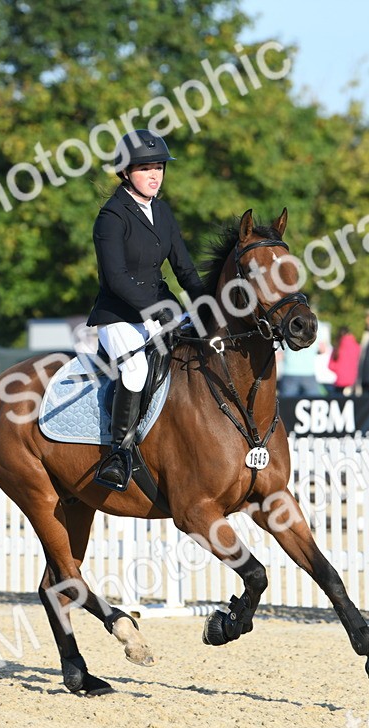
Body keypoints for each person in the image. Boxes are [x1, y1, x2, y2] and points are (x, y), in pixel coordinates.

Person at [88, 129, 209, 492]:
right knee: (137, 369)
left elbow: (184, 268)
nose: (155, 175)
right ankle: (118, 453)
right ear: (125, 172)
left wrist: (207, 303)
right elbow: (116, 279)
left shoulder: (162, 210)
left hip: (160, 307)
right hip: (118, 315)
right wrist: (158, 311)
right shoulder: (111, 217)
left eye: (159, 167)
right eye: (145, 168)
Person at [328, 325, 360, 395]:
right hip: (353, 383)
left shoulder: (337, 347)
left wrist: (340, 370)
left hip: (340, 383)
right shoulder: (357, 347)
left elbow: (331, 366)